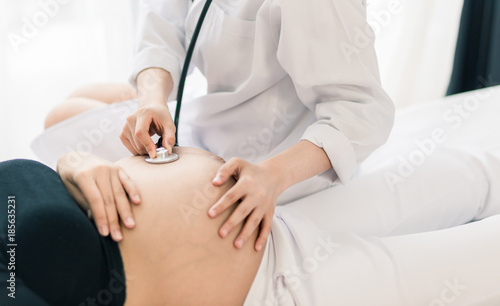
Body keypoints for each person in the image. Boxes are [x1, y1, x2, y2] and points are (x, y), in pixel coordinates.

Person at [43, 0, 395, 251]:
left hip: (265, 160)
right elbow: (163, 29)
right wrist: (151, 99)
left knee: (61, 117)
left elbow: (363, 110)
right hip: (208, 123)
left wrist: (272, 175)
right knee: (77, 100)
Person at [1, 145, 500, 305]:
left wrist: (74, 163)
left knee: (462, 174)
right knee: (484, 258)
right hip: (274, 289)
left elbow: (34, 178)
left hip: (263, 215)